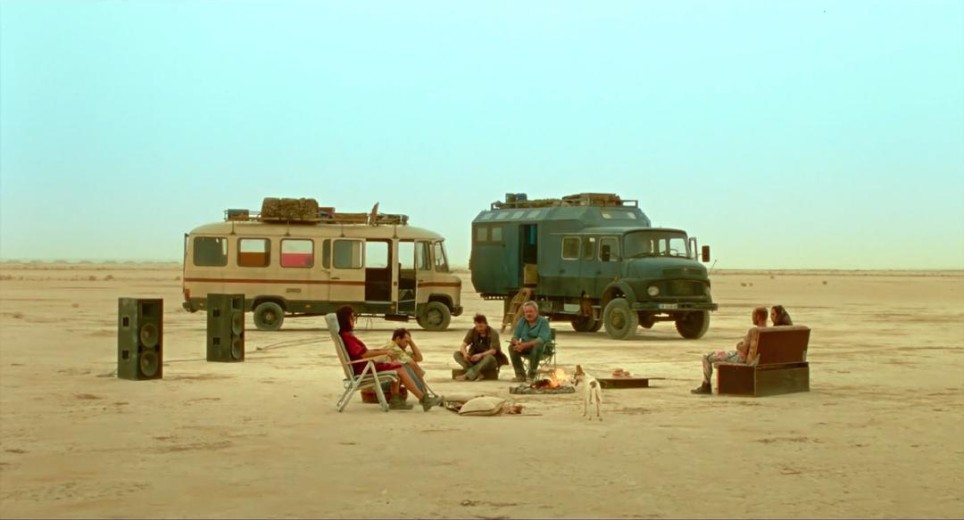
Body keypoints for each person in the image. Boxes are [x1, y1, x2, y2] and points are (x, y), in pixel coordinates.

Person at [335, 306, 443, 411]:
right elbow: (364, 354)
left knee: (396, 365)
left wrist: (381, 352)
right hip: (363, 368)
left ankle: (397, 400)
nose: (354, 320)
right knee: (399, 368)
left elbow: (363, 353)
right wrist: (385, 352)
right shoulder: (348, 337)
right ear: (345, 319)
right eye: (352, 317)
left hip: (363, 366)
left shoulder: (346, 335)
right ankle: (424, 399)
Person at [691, 306, 768, 395]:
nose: (752, 318)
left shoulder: (754, 331)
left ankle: (706, 385)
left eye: (753, 315)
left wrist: (739, 345)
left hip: (740, 357)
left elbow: (744, 349)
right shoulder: (768, 331)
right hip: (749, 358)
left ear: (758, 317)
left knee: (706, 357)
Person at [453, 314, 508, 381]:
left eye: (481, 326)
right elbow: (463, 346)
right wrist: (465, 354)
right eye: (477, 327)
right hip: (474, 358)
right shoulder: (472, 331)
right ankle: (477, 374)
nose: (479, 329)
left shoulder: (493, 333)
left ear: (486, 324)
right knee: (457, 354)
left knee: (489, 357)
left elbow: (493, 351)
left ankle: (467, 375)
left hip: (489, 360)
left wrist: (480, 355)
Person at [508, 301, 552, 383]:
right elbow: (515, 336)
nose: (528, 314)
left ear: (536, 312)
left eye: (530, 311)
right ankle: (520, 375)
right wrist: (516, 342)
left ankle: (531, 375)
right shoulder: (522, 321)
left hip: (543, 349)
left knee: (538, 345)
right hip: (526, 348)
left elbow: (541, 339)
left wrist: (524, 345)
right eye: (526, 312)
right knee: (512, 347)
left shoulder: (543, 321)